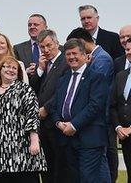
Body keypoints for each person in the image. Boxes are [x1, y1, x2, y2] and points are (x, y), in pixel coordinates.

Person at [50, 38, 110, 183]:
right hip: (67, 139)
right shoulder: (63, 79)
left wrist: (74, 125)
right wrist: (59, 123)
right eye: (68, 54)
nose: (71, 57)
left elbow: (95, 105)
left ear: (84, 55)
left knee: (88, 179)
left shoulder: (97, 77)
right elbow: (54, 106)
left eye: (75, 53)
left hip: (89, 139)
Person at [0, 59, 46, 183]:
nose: (10, 70)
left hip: (20, 148)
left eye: (14, 68)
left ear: (18, 72)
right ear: (0, 70)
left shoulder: (25, 89)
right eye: (7, 67)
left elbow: (32, 115)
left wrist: (34, 140)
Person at [33, 30, 68, 183]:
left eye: (49, 45)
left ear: (56, 43)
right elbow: (33, 88)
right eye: (42, 47)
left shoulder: (66, 62)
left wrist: (46, 108)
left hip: (56, 122)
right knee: (45, 167)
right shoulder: (45, 64)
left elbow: (63, 90)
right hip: (42, 126)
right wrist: (40, 70)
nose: (46, 50)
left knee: (59, 168)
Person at [111, 38, 131, 181]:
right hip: (125, 137)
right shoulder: (121, 75)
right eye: (127, 50)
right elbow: (113, 105)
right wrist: (118, 127)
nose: (128, 53)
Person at [13, 14, 48, 84]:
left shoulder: (58, 49)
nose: (32, 27)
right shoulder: (18, 49)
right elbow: (12, 71)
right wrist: (25, 72)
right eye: (29, 25)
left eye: (36, 24)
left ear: (45, 27)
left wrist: (40, 69)